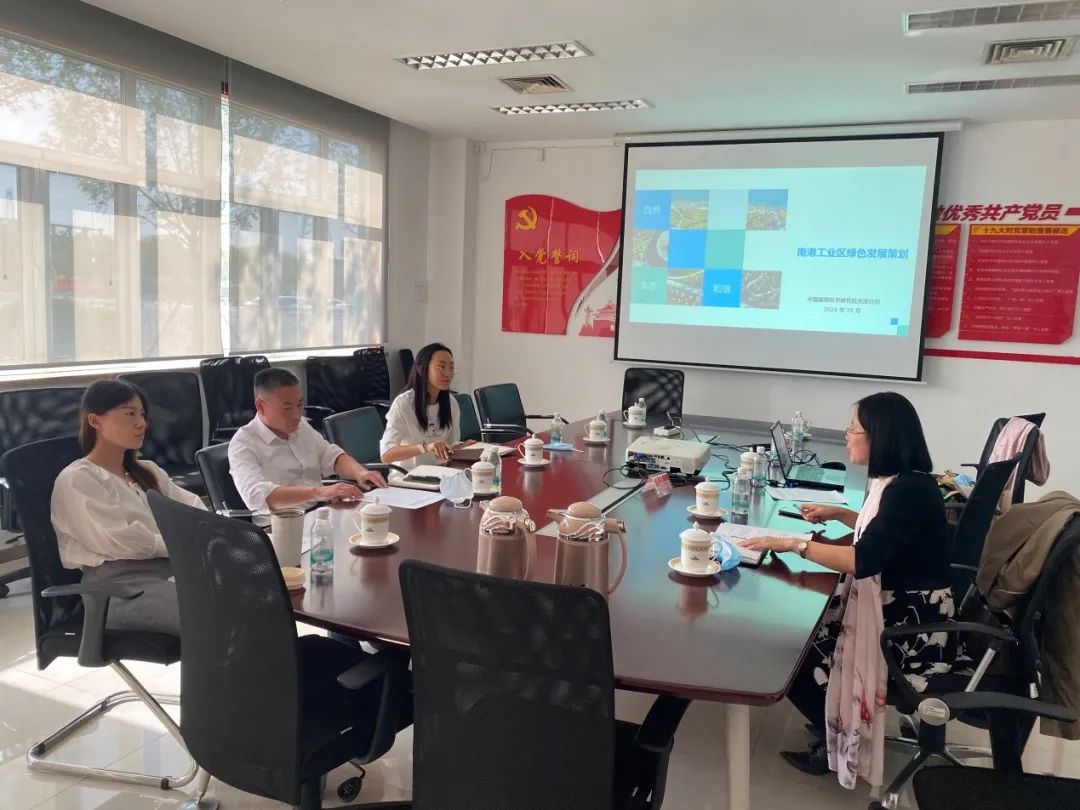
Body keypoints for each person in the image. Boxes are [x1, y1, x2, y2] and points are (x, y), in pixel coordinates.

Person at [742, 392, 956, 789]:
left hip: (910, 630)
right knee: (808, 628)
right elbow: (887, 532)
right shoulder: (903, 483)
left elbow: (864, 559)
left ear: (880, 436)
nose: (846, 435)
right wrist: (842, 514)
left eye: (853, 429)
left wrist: (793, 543)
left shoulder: (906, 490)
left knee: (794, 651)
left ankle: (834, 737)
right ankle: (831, 719)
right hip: (906, 607)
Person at [51, 379, 207, 635]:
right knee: (215, 614)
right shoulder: (78, 479)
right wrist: (183, 542)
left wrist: (207, 535)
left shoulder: (148, 471)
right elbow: (120, 541)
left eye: (143, 415)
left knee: (254, 597)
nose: (142, 423)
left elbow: (193, 507)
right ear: (95, 421)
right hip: (119, 587)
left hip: (174, 568)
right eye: (130, 414)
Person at [229, 367, 387, 521]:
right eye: (287, 408)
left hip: (320, 514)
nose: (297, 415)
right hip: (281, 524)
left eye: (299, 405)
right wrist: (318, 493)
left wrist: (359, 473)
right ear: (261, 406)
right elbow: (256, 496)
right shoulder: (243, 443)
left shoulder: (301, 426)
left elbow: (330, 456)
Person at [380, 342, 472, 469]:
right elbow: (386, 455)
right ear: (421, 369)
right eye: (441, 367)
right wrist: (424, 447)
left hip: (441, 472)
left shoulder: (451, 403)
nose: (448, 373)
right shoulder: (403, 404)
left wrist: (462, 447)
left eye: (451, 367)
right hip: (409, 475)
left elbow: (450, 444)